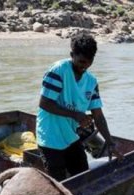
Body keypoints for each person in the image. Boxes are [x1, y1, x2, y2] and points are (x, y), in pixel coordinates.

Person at [36, 32, 122, 181]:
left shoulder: (91, 81)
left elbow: (98, 115)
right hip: (50, 137)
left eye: (89, 62)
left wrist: (109, 142)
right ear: (72, 55)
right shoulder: (58, 71)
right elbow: (45, 104)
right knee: (59, 184)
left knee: (83, 176)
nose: (85, 66)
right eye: (81, 61)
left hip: (70, 136)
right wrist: (76, 115)